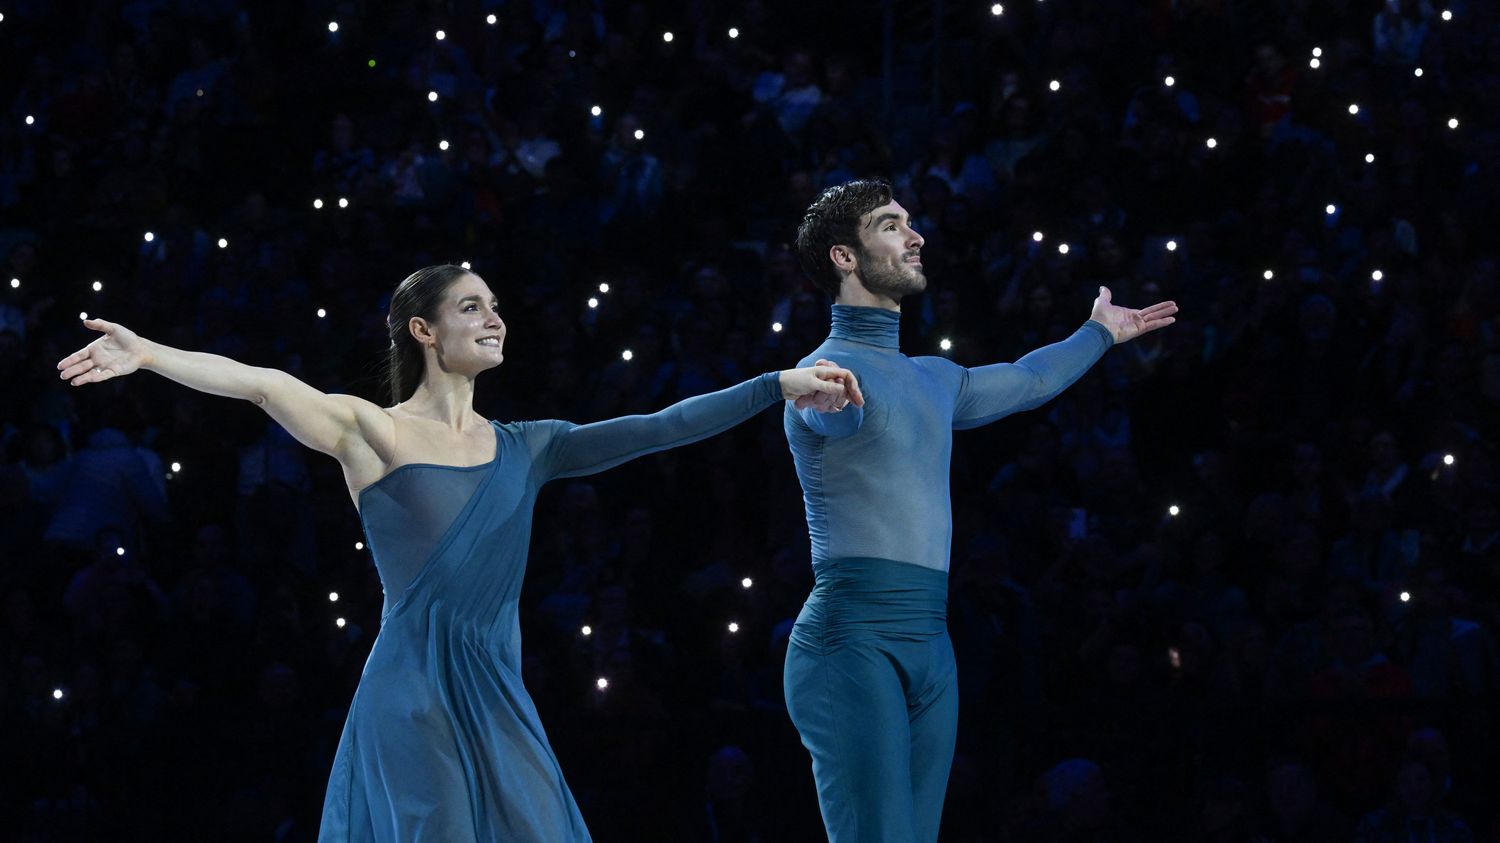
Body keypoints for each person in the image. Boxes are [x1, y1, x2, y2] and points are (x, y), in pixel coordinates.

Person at [56, 264, 863, 842]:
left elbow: (657, 427)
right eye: (472, 307)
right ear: (424, 329)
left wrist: (773, 385)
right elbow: (263, 382)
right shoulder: (373, 431)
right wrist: (150, 353)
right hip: (411, 690)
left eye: (497, 307)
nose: (494, 318)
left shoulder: (530, 444)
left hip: (498, 692)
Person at [781, 179, 1177, 842]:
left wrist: (1099, 333)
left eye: (911, 222)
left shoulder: (935, 378)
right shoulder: (820, 372)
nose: (916, 235)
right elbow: (835, 415)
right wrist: (829, 404)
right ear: (844, 257)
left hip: (932, 646)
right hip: (851, 641)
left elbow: (1027, 379)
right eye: (890, 225)